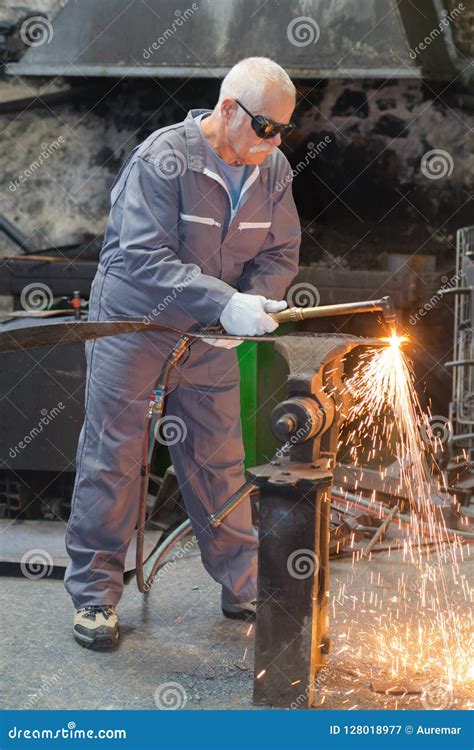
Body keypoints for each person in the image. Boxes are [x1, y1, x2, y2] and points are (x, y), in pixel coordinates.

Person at [64, 56, 301, 650]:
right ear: (228, 110)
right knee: (114, 453)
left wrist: (252, 304)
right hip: (134, 322)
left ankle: (245, 586)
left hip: (208, 331)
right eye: (265, 128)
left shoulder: (271, 169)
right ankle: (95, 597)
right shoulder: (162, 158)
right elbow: (143, 257)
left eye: (282, 131)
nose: (273, 142)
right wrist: (223, 301)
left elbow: (279, 253)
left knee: (219, 455)